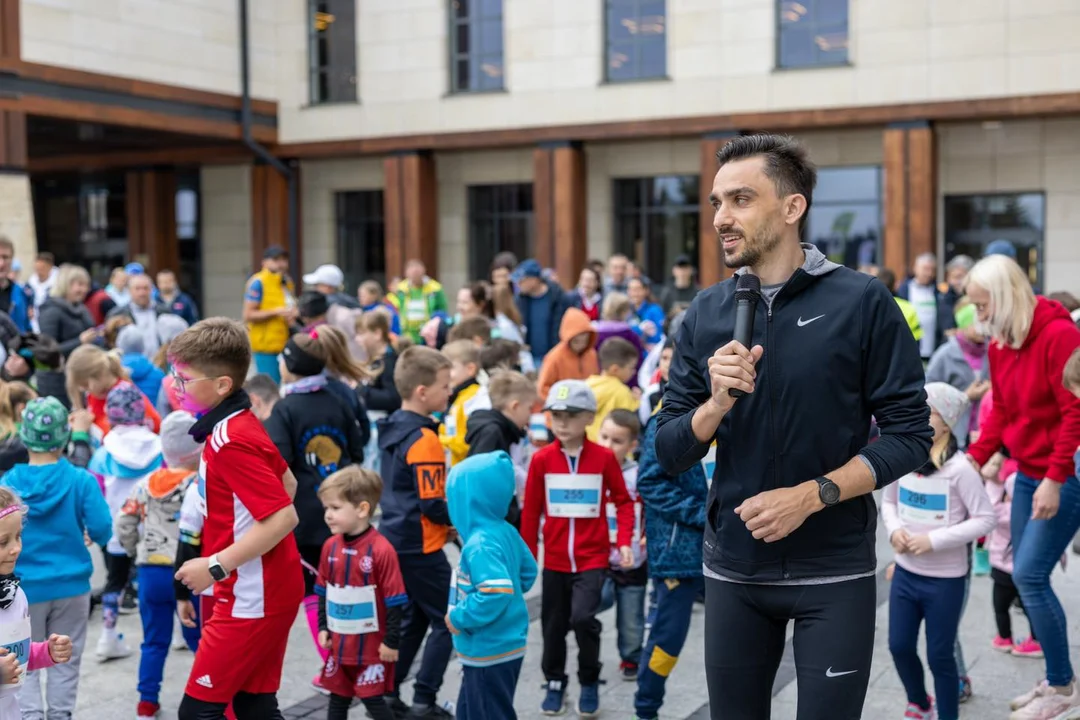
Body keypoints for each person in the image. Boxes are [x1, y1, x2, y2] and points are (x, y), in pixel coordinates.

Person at [654, 133, 932, 719]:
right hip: (734, 569)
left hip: (834, 570)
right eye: (716, 203)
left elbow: (911, 434)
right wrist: (714, 405)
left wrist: (812, 495)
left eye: (740, 200)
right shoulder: (704, 311)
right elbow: (668, 450)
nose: (722, 218)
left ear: (791, 207)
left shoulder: (862, 300)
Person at [168, 318, 304, 720]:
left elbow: (283, 514)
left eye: (185, 379)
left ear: (223, 385)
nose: (176, 386)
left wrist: (215, 565)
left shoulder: (230, 438)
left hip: (251, 596)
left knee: (198, 713)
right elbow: (288, 481)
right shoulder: (235, 424)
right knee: (254, 705)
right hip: (261, 588)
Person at [963, 255, 1080, 720]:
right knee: (1020, 572)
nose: (978, 316)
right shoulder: (1000, 345)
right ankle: (1056, 676)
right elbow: (1003, 413)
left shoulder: (1059, 335)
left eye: (982, 304)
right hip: (1026, 472)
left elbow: (1075, 413)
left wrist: (1055, 479)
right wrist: (971, 460)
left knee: (1030, 576)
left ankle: (1063, 688)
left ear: (1005, 296)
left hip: (1061, 474)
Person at [881, 382, 996, 720]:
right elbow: (888, 504)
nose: (915, 416)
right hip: (905, 574)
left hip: (944, 581)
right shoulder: (903, 457)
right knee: (899, 646)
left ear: (945, 421)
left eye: (925, 411)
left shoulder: (960, 470)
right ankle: (919, 702)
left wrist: (935, 540)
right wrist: (896, 530)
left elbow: (985, 519)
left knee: (940, 655)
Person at [521, 380, 635, 717]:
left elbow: (624, 502)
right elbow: (531, 513)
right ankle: (554, 680)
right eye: (555, 415)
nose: (561, 422)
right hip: (555, 561)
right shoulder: (541, 460)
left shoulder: (603, 458)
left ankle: (589, 679)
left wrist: (624, 541)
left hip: (592, 559)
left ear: (589, 417)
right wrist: (528, 560)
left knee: (584, 618)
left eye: (570, 415)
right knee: (553, 625)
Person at [264, 329, 366, 689]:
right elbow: (357, 451)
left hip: (306, 517)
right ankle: (355, 662)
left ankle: (333, 665)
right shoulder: (338, 399)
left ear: (290, 367)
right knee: (344, 586)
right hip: (345, 512)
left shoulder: (285, 408)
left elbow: (279, 464)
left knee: (312, 590)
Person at [1, 397, 112, 720]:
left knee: (20, 656)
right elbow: (104, 528)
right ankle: (61, 715)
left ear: (24, 435)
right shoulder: (80, 480)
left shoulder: (7, 485)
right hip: (71, 585)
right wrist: (92, 535)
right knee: (65, 655)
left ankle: (30, 714)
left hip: (21, 589)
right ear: (66, 435)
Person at [376, 346, 455, 718]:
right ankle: (424, 698)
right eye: (444, 385)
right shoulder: (426, 440)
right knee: (448, 620)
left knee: (415, 619)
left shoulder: (391, 426)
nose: (449, 392)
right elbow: (432, 503)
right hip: (421, 544)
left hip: (394, 536)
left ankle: (389, 691)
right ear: (422, 392)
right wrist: (456, 521)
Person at [115, 411, 203, 720]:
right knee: (200, 639)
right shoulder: (199, 484)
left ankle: (147, 702)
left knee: (153, 640)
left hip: (151, 570)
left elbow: (124, 522)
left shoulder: (146, 484)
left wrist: (133, 551)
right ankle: (210, 691)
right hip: (190, 570)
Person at [445, 452, 537, 720]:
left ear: (468, 501)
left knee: (489, 711)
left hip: (487, 647)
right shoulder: (505, 529)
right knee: (473, 708)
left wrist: (459, 617)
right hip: (503, 644)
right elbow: (528, 572)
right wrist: (512, 599)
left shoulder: (479, 544)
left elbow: (495, 591)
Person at [633, 408, 709, 720]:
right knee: (668, 637)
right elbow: (650, 483)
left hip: (738, 550)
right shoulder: (666, 418)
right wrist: (706, 513)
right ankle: (646, 708)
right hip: (680, 551)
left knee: (742, 643)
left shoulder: (747, 407)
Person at [315, 466, 407, 720]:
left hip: (371, 647)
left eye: (335, 508)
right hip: (340, 645)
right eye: (326, 509)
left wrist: (391, 641)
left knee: (373, 701)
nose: (328, 515)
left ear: (362, 509)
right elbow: (324, 591)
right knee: (337, 700)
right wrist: (323, 626)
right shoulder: (330, 547)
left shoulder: (381, 550)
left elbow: (395, 599)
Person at [88, 384, 165, 662]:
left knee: (115, 582)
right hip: (157, 528)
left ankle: (107, 637)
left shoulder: (103, 453)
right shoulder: (159, 446)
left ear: (110, 414)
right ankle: (175, 632)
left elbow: (95, 495)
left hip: (116, 530)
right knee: (162, 580)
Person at [0, 486, 75, 718]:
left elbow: (17, 655)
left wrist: (47, 652)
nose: (16, 548)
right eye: (3, 542)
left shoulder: (13, 595)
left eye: (19, 536)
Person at [595, 410, 647, 680]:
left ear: (631, 446)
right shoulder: (591, 469)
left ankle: (631, 657)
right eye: (603, 437)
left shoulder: (637, 474)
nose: (607, 445)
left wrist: (647, 533)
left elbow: (647, 507)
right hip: (599, 557)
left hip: (632, 559)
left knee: (631, 615)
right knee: (595, 599)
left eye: (616, 441)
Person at [464, 371, 536, 528]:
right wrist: (508, 515)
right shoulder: (493, 433)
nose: (530, 415)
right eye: (529, 409)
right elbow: (480, 478)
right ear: (515, 406)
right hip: (493, 522)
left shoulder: (505, 432)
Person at [986, 465, 1042, 658]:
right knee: (1030, 607)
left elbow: (989, 508)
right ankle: (1036, 639)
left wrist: (994, 483)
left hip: (1003, 570)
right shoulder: (1036, 511)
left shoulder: (1005, 512)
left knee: (1000, 607)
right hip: (1028, 569)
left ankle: (1004, 638)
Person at [926, 300, 990, 447]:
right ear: (964, 325)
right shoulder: (945, 354)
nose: (982, 329)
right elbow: (928, 393)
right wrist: (966, 396)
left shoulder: (992, 351)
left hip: (983, 433)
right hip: (954, 434)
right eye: (976, 324)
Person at [65, 345, 161, 436]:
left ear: (98, 375)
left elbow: (155, 424)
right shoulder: (95, 396)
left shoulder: (127, 396)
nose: (84, 390)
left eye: (86, 385)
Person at [243, 246, 298, 384]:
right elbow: (248, 314)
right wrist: (276, 312)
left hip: (284, 342)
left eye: (284, 260)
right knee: (270, 386)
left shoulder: (287, 282)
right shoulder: (258, 282)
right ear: (264, 262)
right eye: (275, 259)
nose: (281, 264)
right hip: (265, 346)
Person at [897, 252, 955, 361]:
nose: (928, 273)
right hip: (910, 348)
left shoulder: (939, 293)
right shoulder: (904, 290)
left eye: (932, 270)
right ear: (915, 268)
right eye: (925, 269)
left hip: (933, 348)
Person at [535, 308, 599, 402]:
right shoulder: (555, 357)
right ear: (568, 337)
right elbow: (543, 388)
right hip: (561, 411)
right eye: (576, 341)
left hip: (586, 409)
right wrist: (564, 400)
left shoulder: (592, 355)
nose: (581, 344)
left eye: (584, 339)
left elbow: (596, 381)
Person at [514, 259, 569, 366]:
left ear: (534, 279)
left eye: (522, 280)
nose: (519, 284)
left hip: (554, 357)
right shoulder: (520, 300)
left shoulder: (557, 297)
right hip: (529, 359)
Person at [107, 274, 175, 359]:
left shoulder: (164, 311)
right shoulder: (117, 314)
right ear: (129, 291)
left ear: (151, 290)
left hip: (160, 364)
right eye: (137, 288)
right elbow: (109, 342)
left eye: (145, 288)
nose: (142, 293)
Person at [585, 337, 640, 442]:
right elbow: (628, 421)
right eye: (631, 367)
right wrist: (637, 401)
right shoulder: (621, 392)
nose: (633, 372)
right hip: (610, 446)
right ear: (615, 369)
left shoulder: (588, 384)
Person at [438, 340, 483, 468]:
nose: (446, 375)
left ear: (470, 369)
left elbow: (468, 443)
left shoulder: (474, 398)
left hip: (466, 471)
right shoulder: (458, 397)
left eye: (450, 368)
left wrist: (438, 438)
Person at [37, 264, 98, 358]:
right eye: (80, 284)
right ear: (65, 284)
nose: (85, 290)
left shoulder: (82, 308)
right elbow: (48, 351)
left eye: (87, 285)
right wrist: (79, 341)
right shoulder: (50, 311)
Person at [388, 259, 448, 346]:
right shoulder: (401, 289)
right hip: (406, 335)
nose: (415, 275)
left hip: (427, 334)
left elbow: (442, 310)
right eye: (412, 272)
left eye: (417, 272)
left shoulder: (435, 289)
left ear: (423, 271)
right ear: (406, 273)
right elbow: (396, 309)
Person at [116, 326, 166, 406]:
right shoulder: (158, 374)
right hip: (154, 417)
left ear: (120, 345)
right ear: (143, 345)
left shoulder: (115, 374)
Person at [0, 238, 30, 333]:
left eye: (5, 257)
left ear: (12, 260)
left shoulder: (21, 292)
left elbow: (25, 326)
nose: (1, 263)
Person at [627, 278, 665, 350]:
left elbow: (660, 336)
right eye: (631, 290)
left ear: (646, 291)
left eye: (637, 289)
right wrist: (639, 330)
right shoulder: (626, 311)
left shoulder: (655, 310)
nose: (634, 293)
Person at [26, 253, 57, 321]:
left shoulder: (58, 284)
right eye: (37, 268)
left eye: (42, 268)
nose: (39, 272)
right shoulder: (29, 284)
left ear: (50, 267)